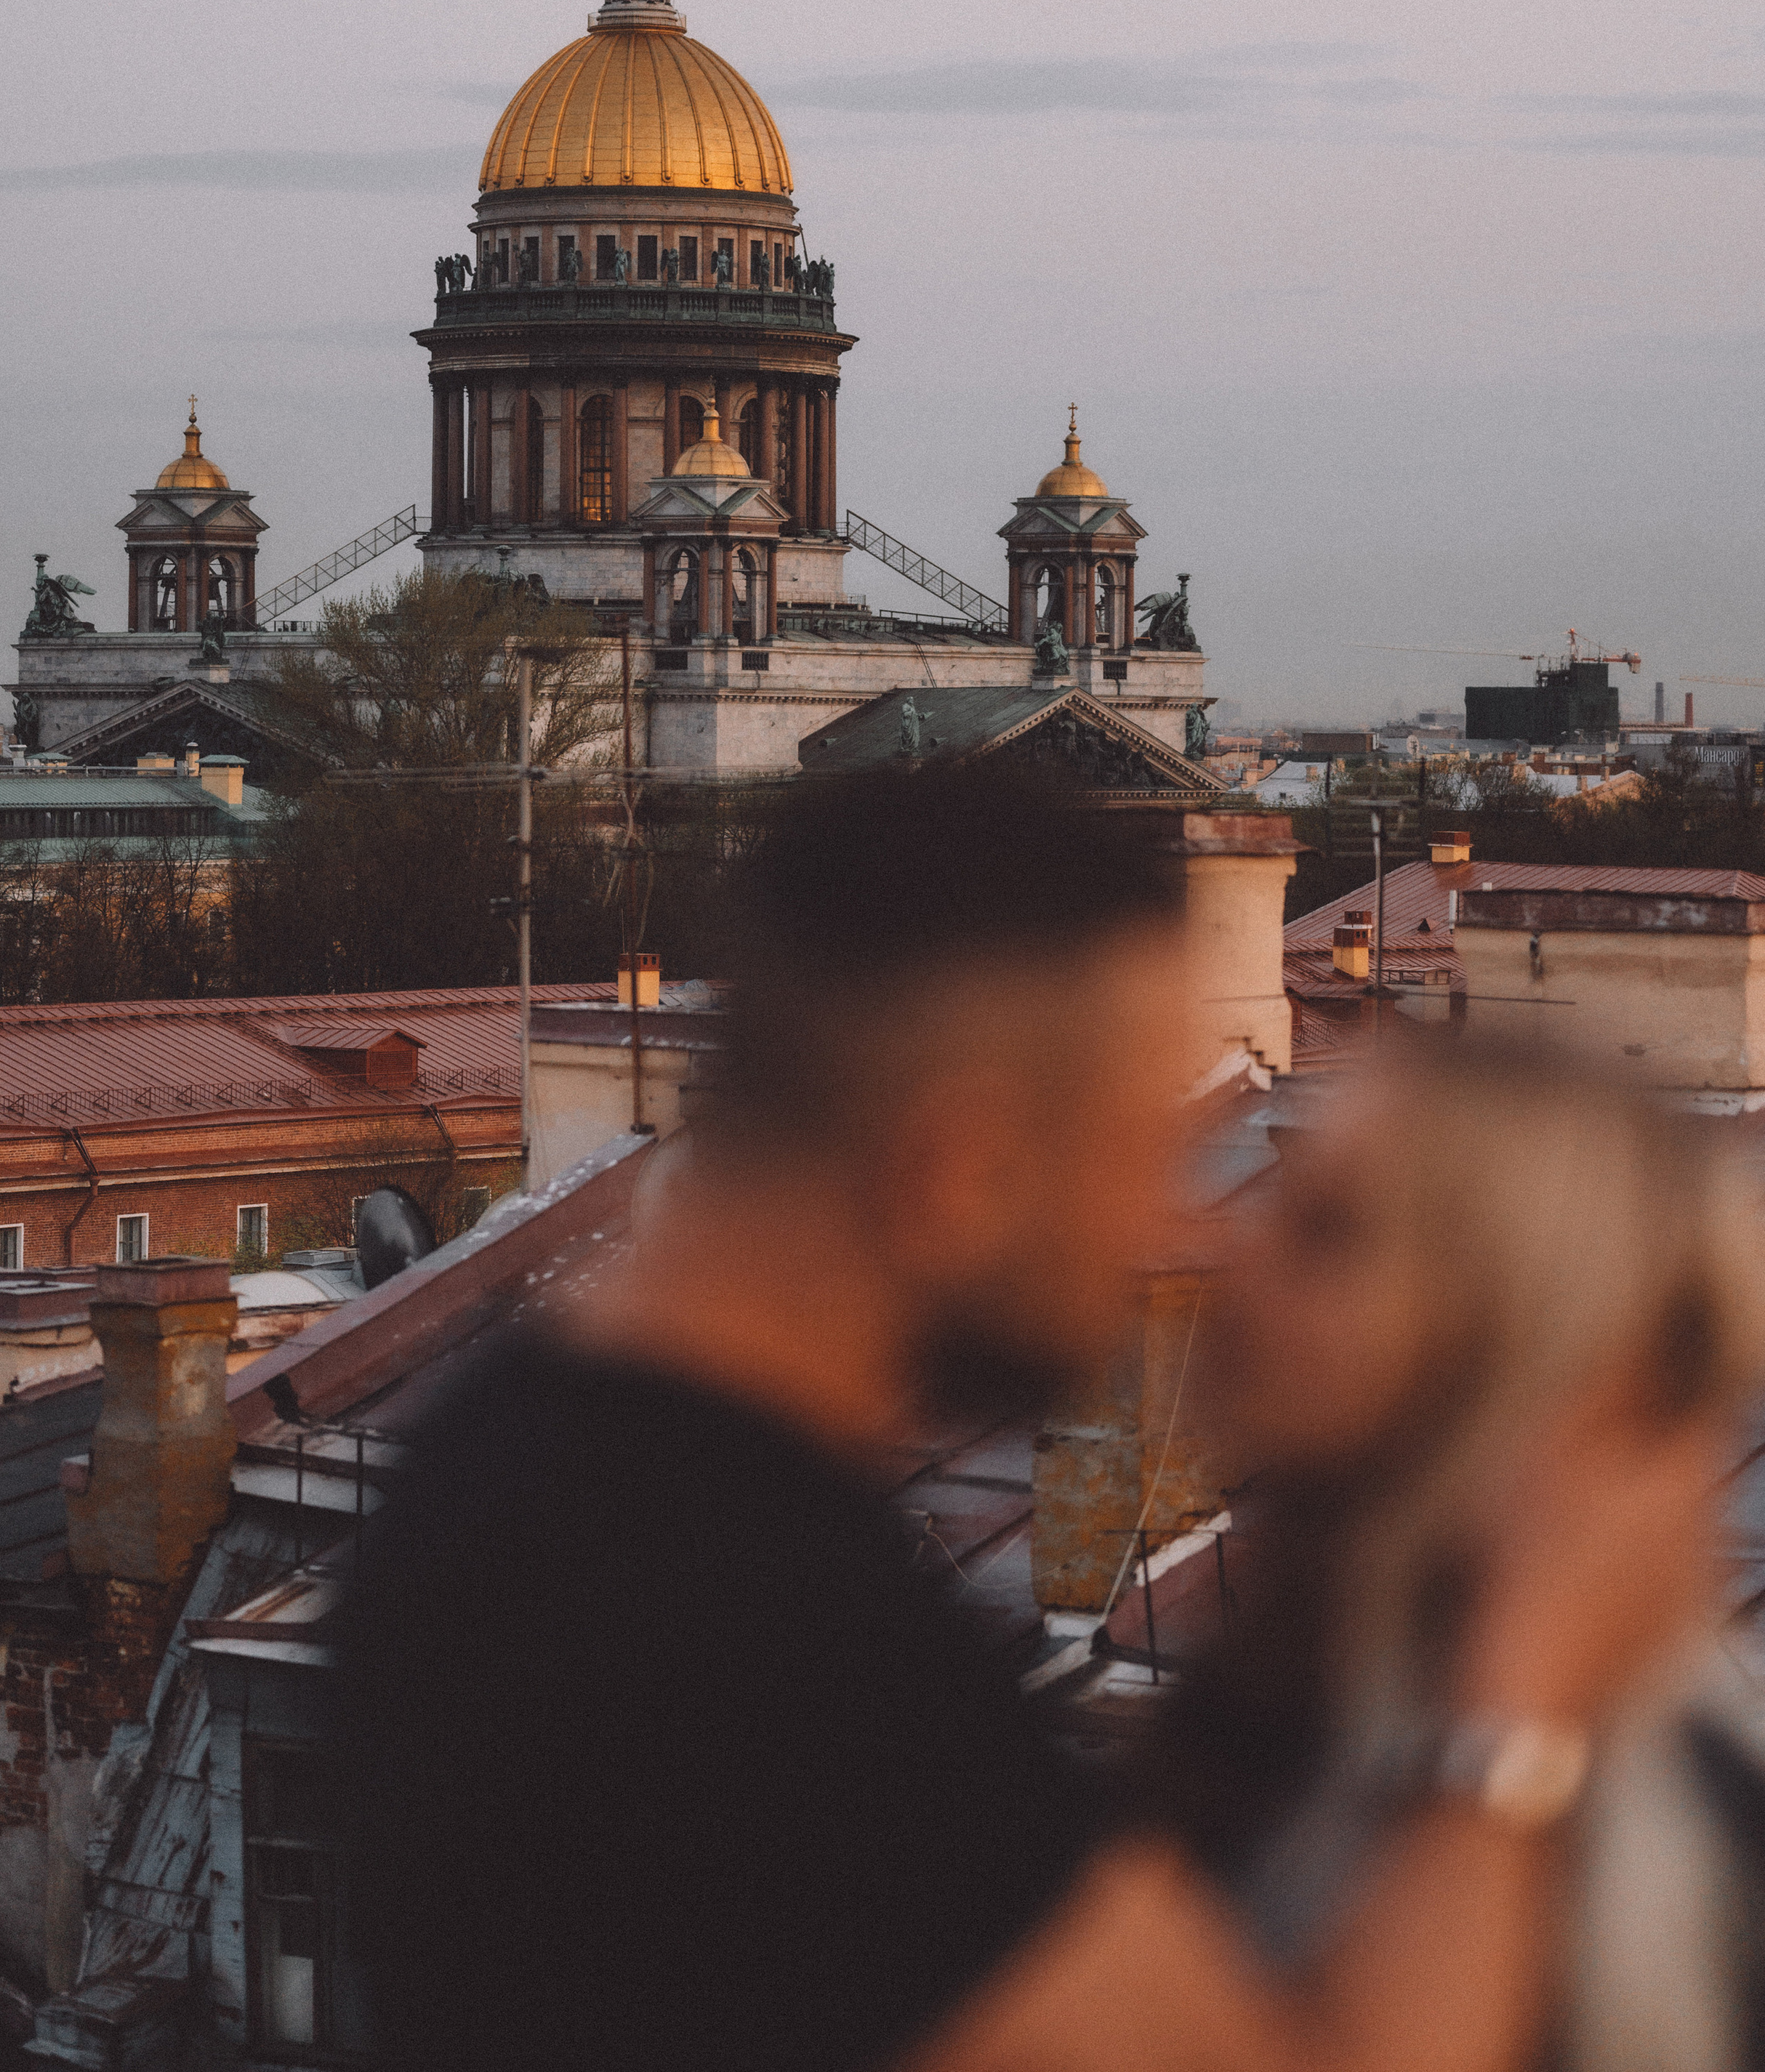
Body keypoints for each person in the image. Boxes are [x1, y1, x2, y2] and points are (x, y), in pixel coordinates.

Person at [332, 770, 1726, 2072]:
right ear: (962, 1170)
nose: (1180, 1227)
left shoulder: (511, 1461)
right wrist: (1512, 1720)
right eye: (1139, 1152)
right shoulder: (745, 1624)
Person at [1131, 1039, 1765, 2072]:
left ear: (1517, 1329)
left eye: (1327, 1236)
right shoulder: (1252, 1711)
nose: (1235, 1255)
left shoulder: (1699, 1860)